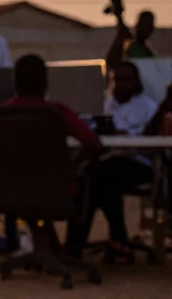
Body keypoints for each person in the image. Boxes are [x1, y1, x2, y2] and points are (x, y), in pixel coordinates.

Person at [0, 55, 104, 256]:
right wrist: (72, 163)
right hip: (57, 189)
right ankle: (72, 251)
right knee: (90, 181)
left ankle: (50, 249)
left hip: (11, 190)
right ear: (45, 82)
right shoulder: (57, 112)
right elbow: (94, 143)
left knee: (30, 188)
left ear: (14, 81)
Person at [72, 62, 160, 263]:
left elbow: (152, 142)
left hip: (138, 163)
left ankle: (78, 246)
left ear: (136, 82)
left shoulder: (148, 106)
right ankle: (118, 240)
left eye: (126, 80)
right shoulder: (103, 103)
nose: (121, 84)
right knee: (93, 179)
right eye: (116, 80)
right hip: (106, 161)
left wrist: (127, 137)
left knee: (96, 180)